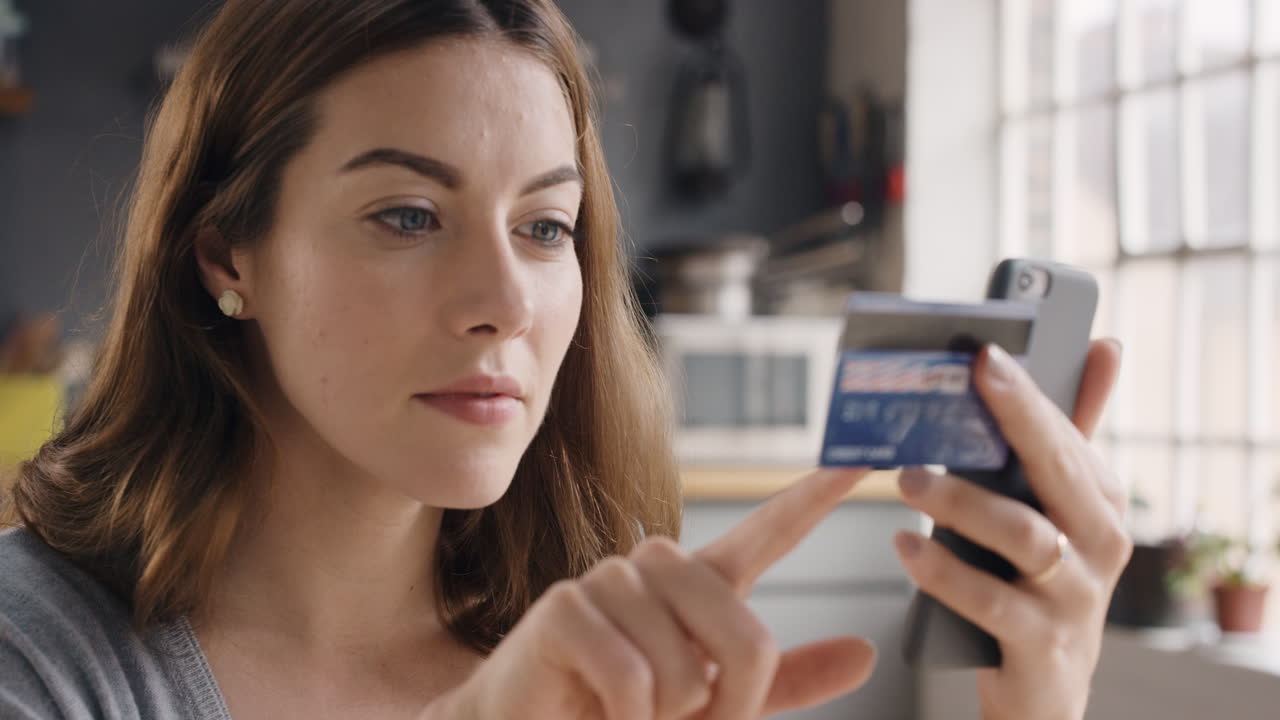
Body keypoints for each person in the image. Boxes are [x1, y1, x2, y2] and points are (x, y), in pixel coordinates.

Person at [0, 1, 1131, 718]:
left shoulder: (614, 663)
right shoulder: (42, 659)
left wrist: (1033, 705)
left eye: (545, 228)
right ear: (223, 256)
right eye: (405, 215)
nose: (504, 304)